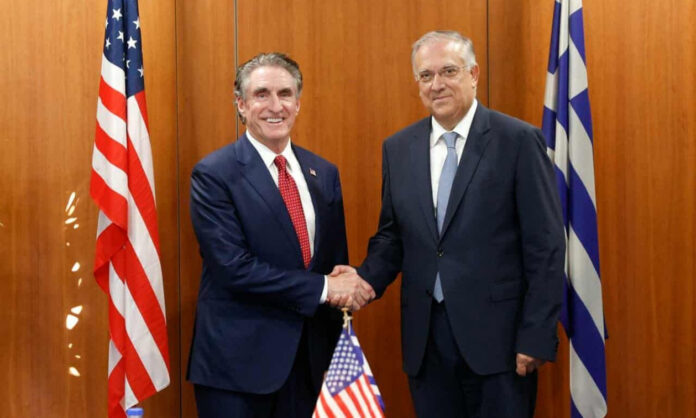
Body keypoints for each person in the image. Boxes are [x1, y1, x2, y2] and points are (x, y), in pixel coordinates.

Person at [332, 31, 565, 417]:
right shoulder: (398, 148)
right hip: (427, 343)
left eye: (448, 71)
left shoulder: (518, 140)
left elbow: (546, 246)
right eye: (425, 75)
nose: (436, 84)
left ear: (473, 74)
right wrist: (364, 280)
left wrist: (537, 334)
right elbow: (393, 236)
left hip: (500, 343)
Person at [187, 52, 374, 418]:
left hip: (308, 364)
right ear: (241, 105)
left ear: (298, 103)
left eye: (285, 94)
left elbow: (333, 265)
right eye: (262, 94)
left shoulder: (324, 173)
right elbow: (233, 268)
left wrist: (335, 346)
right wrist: (325, 288)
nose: (276, 106)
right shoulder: (214, 174)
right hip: (238, 369)